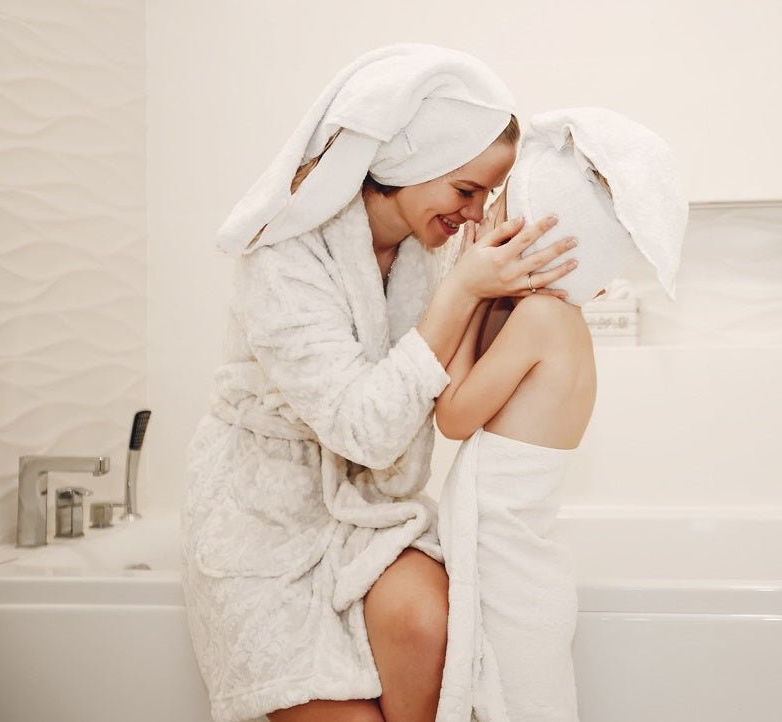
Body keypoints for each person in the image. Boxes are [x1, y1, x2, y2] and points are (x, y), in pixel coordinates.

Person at [180, 45, 577, 722]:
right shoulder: (283, 253)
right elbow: (362, 429)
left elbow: (458, 393)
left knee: (429, 622)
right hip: (263, 524)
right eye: (465, 190)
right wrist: (460, 292)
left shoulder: (436, 249)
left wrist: (528, 296)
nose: (474, 212)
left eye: (487, 193)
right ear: (409, 163)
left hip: (371, 512)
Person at [430, 108, 688, 722]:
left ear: (532, 234)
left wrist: (467, 289)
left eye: (496, 212)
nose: (479, 223)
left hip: (514, 584)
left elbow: (452, 416)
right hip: (523, 573)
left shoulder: (541, 320)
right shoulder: (558, 323)